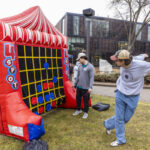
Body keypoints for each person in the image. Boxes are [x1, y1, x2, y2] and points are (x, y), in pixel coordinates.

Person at [104, 50, 150, 147]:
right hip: (120, 93)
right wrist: (144, 55)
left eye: (117, 60)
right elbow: (142, 55)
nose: (115, 62)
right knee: (120, 118)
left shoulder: (141, 65)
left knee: (126, 119)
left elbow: (143, 59)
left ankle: (107, 124)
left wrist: (145, 56)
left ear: (124, 61)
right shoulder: (127, 61)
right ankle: (120, 140)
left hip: (133, 96)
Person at [72, 53, 95, 119]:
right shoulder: (80, 66)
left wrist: (90, 87)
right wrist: (75, 84)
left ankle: (86, 112)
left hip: (86, 88)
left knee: (86, 101)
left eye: (79, 59)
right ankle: (78, 110)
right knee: (78, 99)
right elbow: (78, 76)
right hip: (79, 86)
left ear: (82, 58)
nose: (78, 61)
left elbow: (91, 78)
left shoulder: (90, 66)